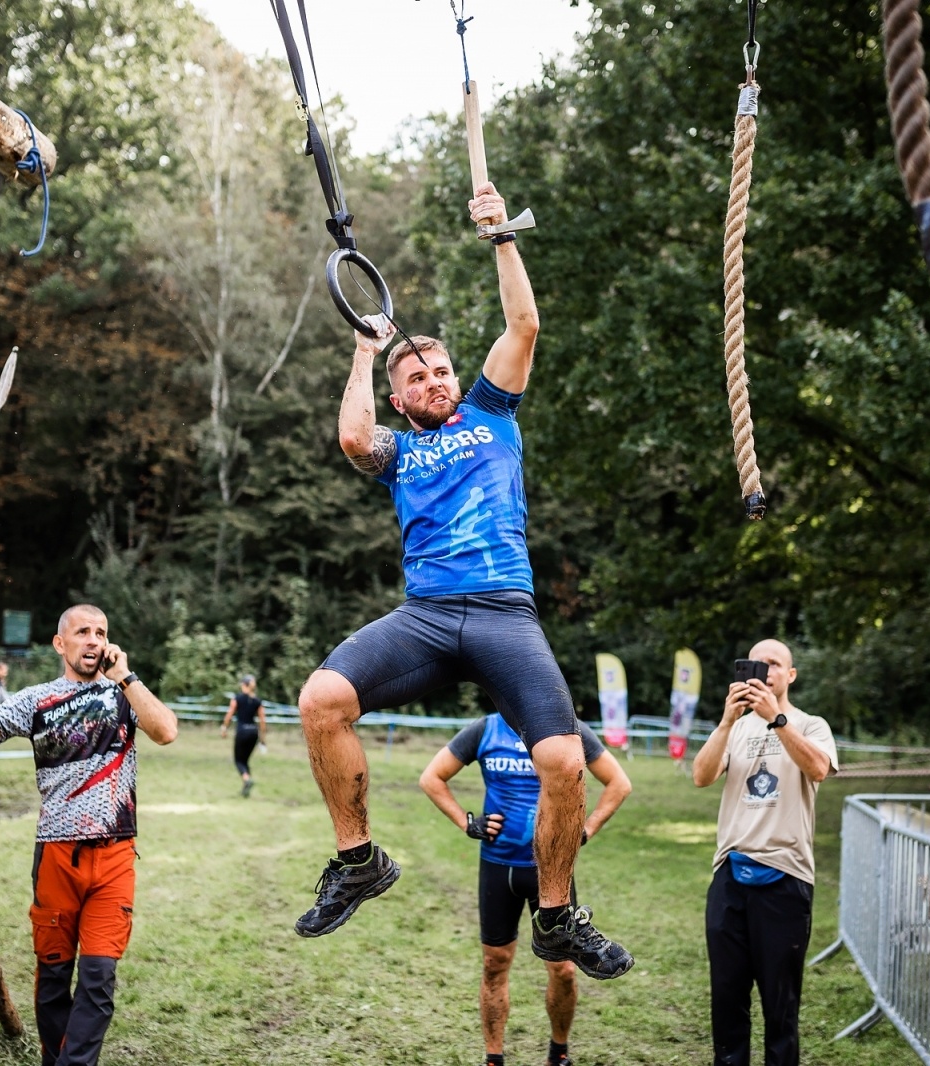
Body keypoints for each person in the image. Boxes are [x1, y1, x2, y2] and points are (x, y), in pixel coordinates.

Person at [294, 180, 632, 979]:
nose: (434, 381)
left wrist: (500, 237)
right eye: (416, 379)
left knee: (564, 762)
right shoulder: (400, 452)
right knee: (320, 701)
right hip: (427, 615)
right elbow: (349, 438)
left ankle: (557, 915)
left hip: (505, 617)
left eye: (440, 369)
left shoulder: (492, 414)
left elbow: (525, 323)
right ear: (400, 397)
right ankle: (357, 862)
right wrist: (365, 349)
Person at [0, 604, 179, 1066]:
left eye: (100, 632)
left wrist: (127, 677)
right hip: (57, 855)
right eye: (83, 632)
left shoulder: (124, 694)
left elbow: (166, 731)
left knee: (99, 979)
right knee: (54, 976)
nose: (94, 641)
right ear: (61, 644)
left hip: (115, 854)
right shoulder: (38, 699)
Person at [419, 714, 632, 1066]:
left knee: (563, 969)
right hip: (497, 868)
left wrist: (586, 829)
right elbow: (432, 778)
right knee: (494, 964)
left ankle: (558, 1054)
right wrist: (467, 822)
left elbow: (618, 783)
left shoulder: (565, 727)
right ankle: (494, 1058)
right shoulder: (484, 730)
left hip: (551, 872)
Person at [693, 639, 838, 1066]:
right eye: (759, 663)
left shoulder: (811, 724)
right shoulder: (735, 728)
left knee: (780, 1006)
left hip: (787, 876)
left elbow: (817, 768)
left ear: (790, 675)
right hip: (730, 876)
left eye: (775, 663)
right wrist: (725, 722)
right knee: (727, 998)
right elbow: (702, 777)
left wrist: (775, 718)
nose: (766, 670)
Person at [219, 674, 266, 797]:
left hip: (242, 732)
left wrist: (224, 728)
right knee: (245, 761)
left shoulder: (237, 698)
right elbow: (262, 721)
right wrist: (262, 740)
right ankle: (246, 790)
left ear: (244, 685)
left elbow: (230, 714)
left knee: (239, 761)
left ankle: (246, 780)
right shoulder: (257, 701)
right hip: (253, 733)